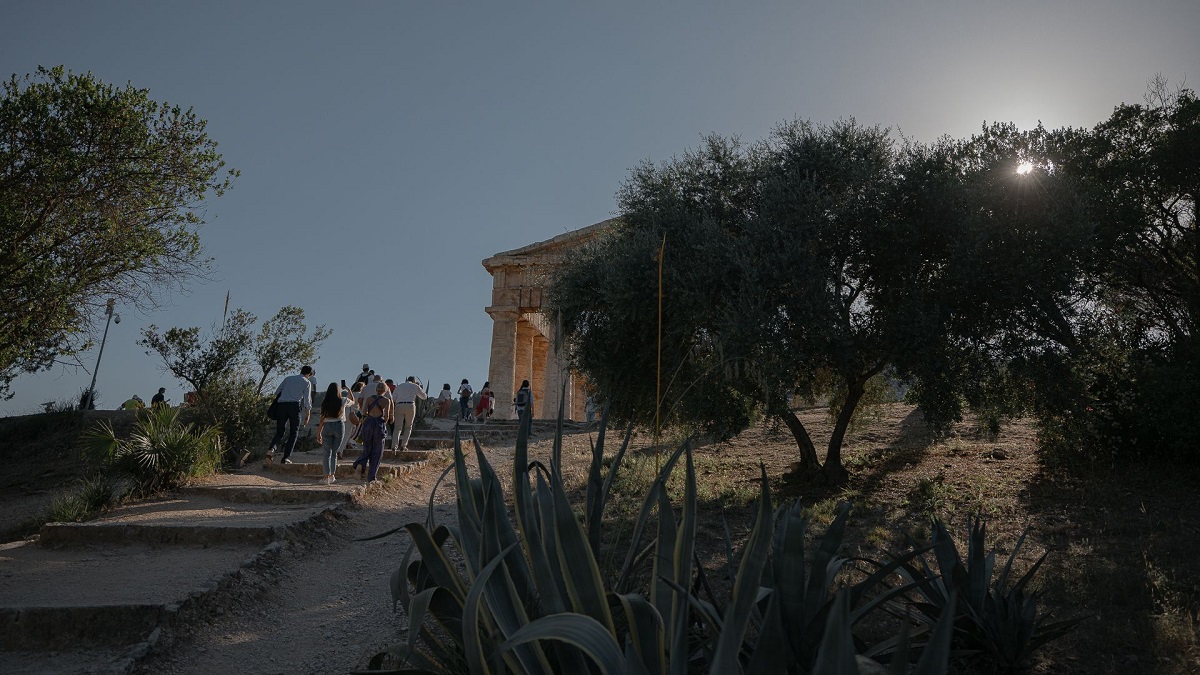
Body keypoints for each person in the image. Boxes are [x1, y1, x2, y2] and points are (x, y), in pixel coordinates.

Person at [267, 365, 314, 465]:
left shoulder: (288, 378)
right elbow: (307, 400)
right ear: (309, 374)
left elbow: (277, 392)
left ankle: (272, 448)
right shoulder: (307, 382)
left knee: (280, 431)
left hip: (282, 406)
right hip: (294, 406)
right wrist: (308, 414)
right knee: (294, 432)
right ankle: (286, 457)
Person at [316, 382, 358, 485]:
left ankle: (326, 477)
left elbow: (322, 419)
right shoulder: (343, 400)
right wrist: (348, 390)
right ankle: (332, 476)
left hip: (327, 425)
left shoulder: (325, 402)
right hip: (339, 425)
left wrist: (319, 433)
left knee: (327, 453)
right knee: (334, 453)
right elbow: (353, 401)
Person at [352, 381, 392, 481]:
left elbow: (363, 412)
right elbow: (386, 416)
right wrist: (384, 422)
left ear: (376, 389)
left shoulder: (369, 399)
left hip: (368, 423)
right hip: (379, 424)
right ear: (385, 390)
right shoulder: (386, 400)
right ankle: (371, 476)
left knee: (367, 448)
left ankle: (360, 464)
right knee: (377, 451)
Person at [392, 376, 428, 451]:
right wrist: (419, 386)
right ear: (414, 381)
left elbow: (393, 398)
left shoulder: (400, 386)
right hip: (410, 405)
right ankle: (403, 446)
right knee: (408, 426)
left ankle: (394, 446)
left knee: (397, 427)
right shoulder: (415, 386)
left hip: (399, 405)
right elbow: (424, 397)